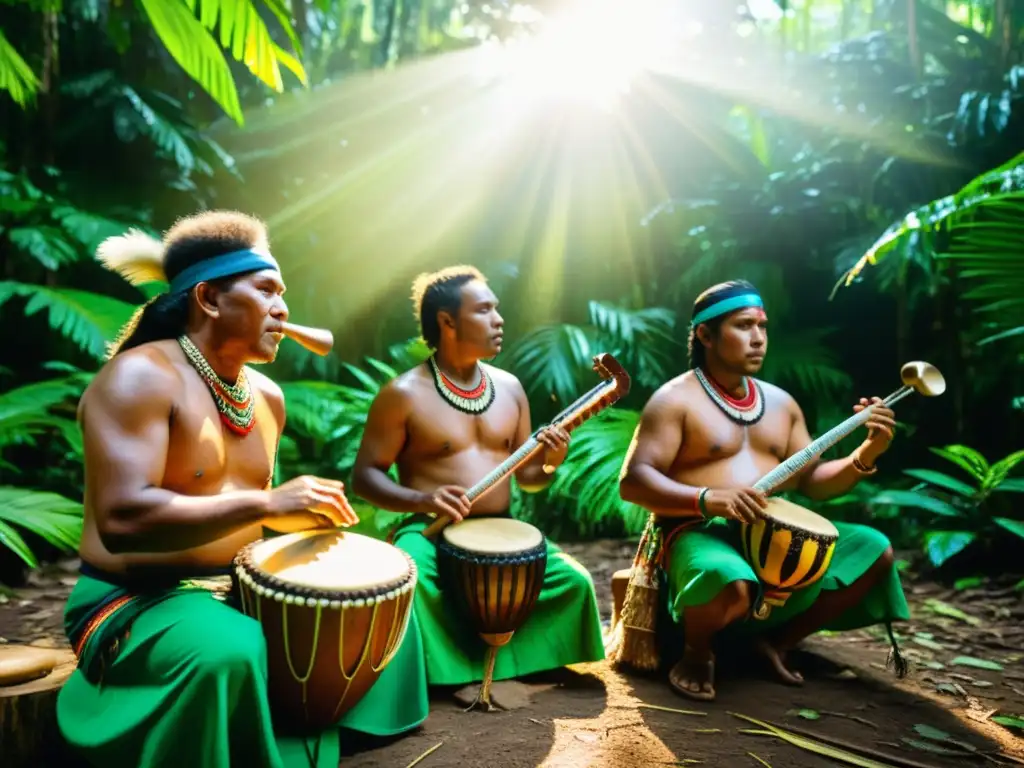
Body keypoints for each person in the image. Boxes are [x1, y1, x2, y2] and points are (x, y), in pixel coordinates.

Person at [56, 210, 426, 768]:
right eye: (267, 290)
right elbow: (123, 518)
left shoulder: (267, 397)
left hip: (236, 583)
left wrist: (306, 525)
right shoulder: (141, 377)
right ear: (207, 298)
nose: (283, 309)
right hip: (133, 600)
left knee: (374, 601)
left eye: (283, 293)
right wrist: (269, 502)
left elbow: (250, 521)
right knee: (228, 649)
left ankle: (318, 733)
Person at [615, 279, 910, 702]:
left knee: (872, 550)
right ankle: (698, 653)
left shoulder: (781, 403)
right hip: (700, 531)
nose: (758, 338)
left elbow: (815, 482)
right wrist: (706, 499)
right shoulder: (674, 400)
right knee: (727, 578)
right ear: (705, 335)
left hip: (773, 535)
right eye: (743, 326)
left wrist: (866, 453)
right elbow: (634, 482)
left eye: (763, 326)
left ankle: (776, 643)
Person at [350, 265, 606, 706]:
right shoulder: (404, 394)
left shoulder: (510, 388)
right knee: (410, 584)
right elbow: (365, 477)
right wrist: (422, 498)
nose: (498, 319)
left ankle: (499, 665)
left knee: (574, 583)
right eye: (484, 310)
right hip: (428, 532)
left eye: (497, 309)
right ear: (448, 322)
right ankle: (452, 673)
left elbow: (528, 480)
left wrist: (549, 463)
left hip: (502, 533)